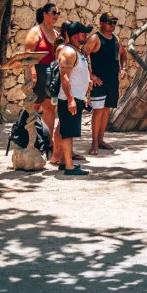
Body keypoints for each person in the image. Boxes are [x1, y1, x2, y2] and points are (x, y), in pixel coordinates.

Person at [84, 12, 127, 155]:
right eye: (110, 22)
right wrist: (91, 76)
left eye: (114, 22)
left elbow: (123, 54)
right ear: (101, 23)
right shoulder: (95, 38)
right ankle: (94, 143)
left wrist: (123, 68)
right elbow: (82, 56)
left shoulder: (116, 39)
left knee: (107, 110)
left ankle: (101, 140)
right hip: (99, 83)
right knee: (97, 111)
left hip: (112, 82)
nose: (112, 25)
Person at [56, 21, 92, 176]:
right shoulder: (68, 52)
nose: (87, 35)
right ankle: (69, 167)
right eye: (84, 33)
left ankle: (65, 162)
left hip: (76, 97)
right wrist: (70, 98)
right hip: (69, 99)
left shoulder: (77, 51)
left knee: (69, 132)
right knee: (67, 133)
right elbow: (64, 77)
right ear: (75, 35)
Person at [24, 2, 61, 149]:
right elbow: (28, 54)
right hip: (38, 73)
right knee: (33, 107)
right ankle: (28, 139)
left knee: (50, 108)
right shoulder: (35, 32)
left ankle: (48, 141)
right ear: (45, 14)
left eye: (58, 13)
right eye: (54, 12)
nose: (56, 16)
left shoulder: (57, 33)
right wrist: (33, 74)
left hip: (51, 75)